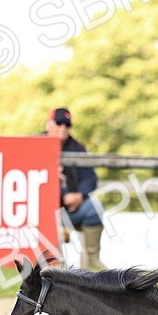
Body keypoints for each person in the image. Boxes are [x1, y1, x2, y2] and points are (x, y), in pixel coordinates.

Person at [46, 107, 106, 271]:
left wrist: (79, 195)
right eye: (59, 123)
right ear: (49, 124)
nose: (63, 128)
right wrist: (63, 195)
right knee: (49, 219)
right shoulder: (36, 145)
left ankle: (91, 262)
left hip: (72, 208)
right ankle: (57, 268)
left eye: (67, 125)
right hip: (44, 212)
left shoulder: (78, 148)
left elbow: (90, 178)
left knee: (94, 208)